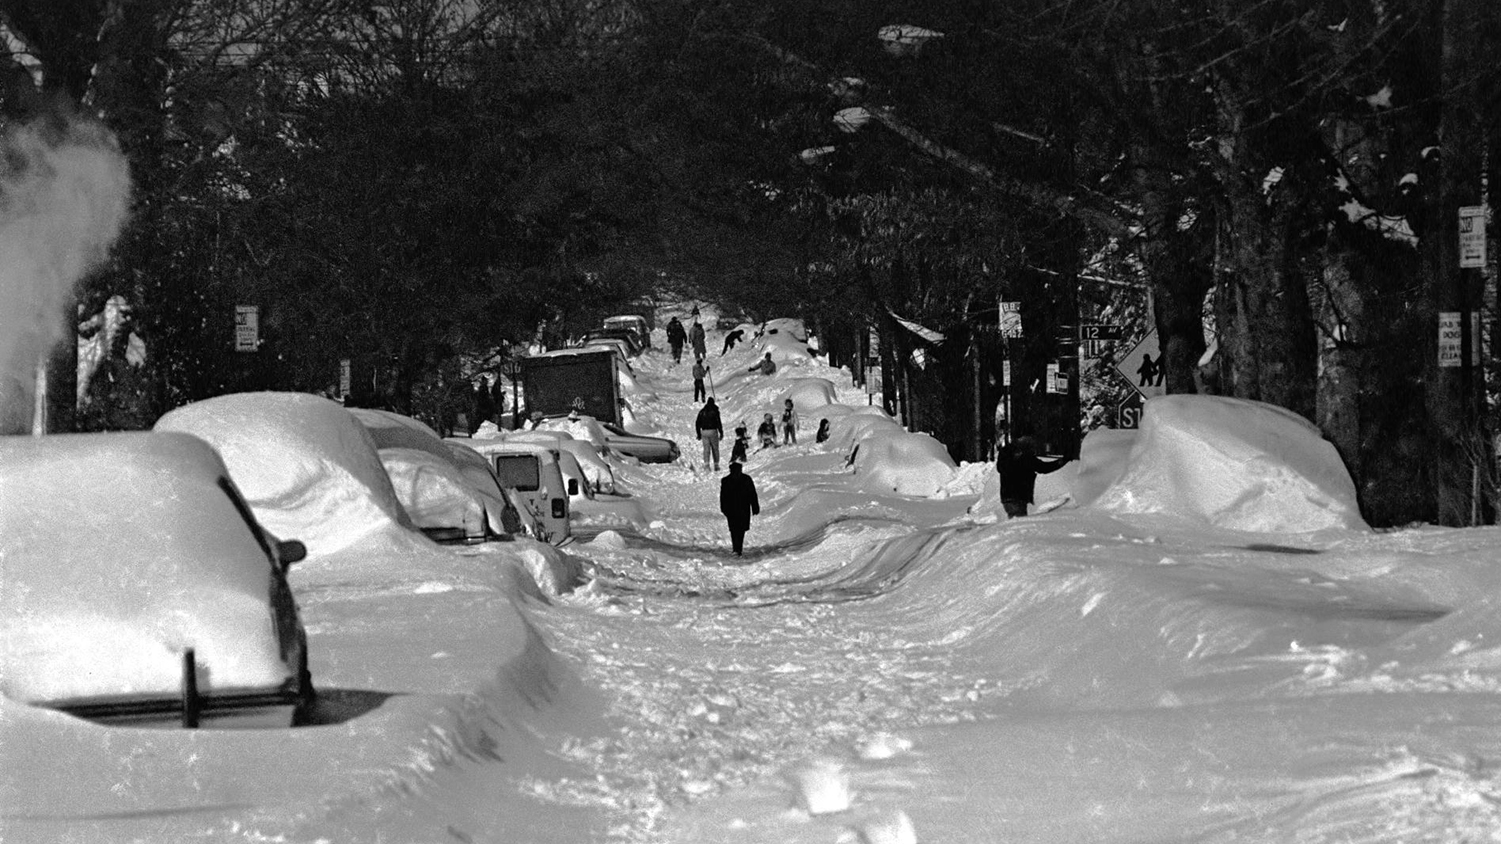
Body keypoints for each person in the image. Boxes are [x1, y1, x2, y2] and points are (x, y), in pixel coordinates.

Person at [995, 435, 1070, 517]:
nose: (1033, 450)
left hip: (1006, 496)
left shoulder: (1006, 454)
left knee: (1015, 519)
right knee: (1019, 522)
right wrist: (1062, 461)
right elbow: (1044, 468)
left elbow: (1000, 468)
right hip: (1019, 496)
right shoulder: (1026, 458)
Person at [719, 462, 760, 556]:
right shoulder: (726, 481)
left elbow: (752, 494)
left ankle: (738, 549)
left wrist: (755, 507)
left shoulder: (746, 479)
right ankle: (736, 549)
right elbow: (723, 496)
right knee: (734, 529)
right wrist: (724, 508)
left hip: (743, 508)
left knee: (740, 529)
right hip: (732, 509)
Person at [695, 397, 724, 471]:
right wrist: (721, 432)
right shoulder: (715, 411)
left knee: (706, 449)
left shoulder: (702, 412)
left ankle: (707, 465)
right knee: (715, 449)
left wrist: (698, 434)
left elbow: (697, 423)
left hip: (704, 432)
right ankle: (716, 465)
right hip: (713, 431)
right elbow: (718, 422)